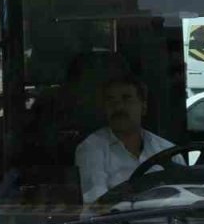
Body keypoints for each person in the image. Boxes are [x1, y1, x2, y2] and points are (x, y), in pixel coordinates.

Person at [74, 72, 177, 204]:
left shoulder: (167, 150)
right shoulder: (91, 149)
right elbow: (97, 204)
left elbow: (186, 197)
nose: (118, 107)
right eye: (111, 100)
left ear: (143, 107)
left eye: (126, 99)